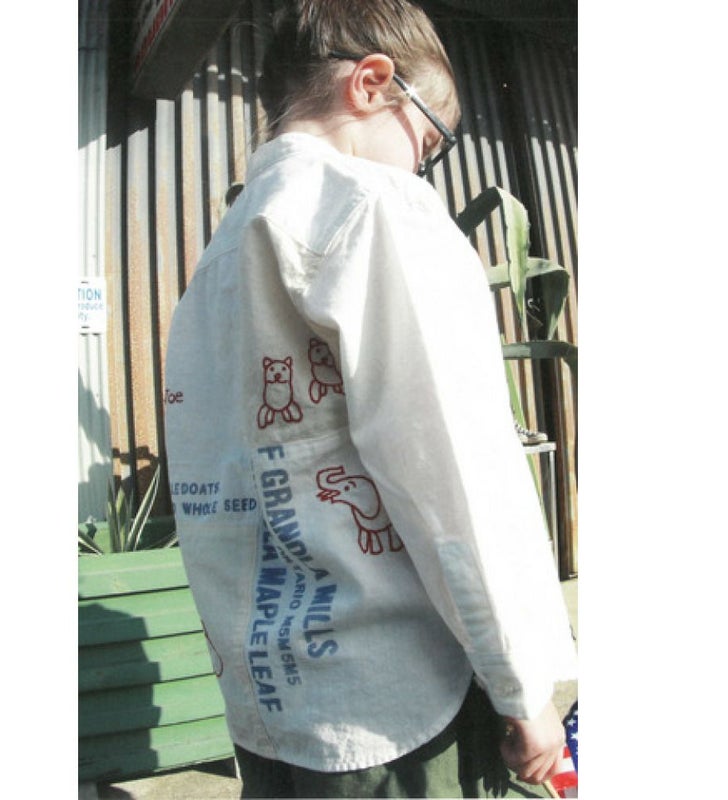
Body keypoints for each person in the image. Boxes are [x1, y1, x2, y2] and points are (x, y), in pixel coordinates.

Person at [164, 1, 577, 796]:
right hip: (400, 707)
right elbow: (453, 475)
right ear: (373, 83)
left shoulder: (223, 254)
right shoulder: (375, 208)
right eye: (430, 140)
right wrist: (523, 685)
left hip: (275, 705)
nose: (422, 166)